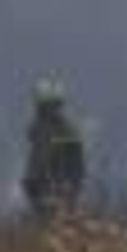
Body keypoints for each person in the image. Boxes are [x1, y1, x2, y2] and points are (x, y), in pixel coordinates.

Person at [22, 80, 86, 219]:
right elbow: (78, 167)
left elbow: (40, 159)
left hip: (51, 189)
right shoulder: (65, 129)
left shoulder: (49, 130)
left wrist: (32, 181)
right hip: (53, 189)